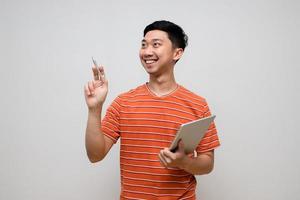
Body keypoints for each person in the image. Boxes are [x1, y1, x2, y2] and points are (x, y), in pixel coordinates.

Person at [84, 20, 220, 200]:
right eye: (143, 45)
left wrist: (183, 162)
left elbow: (207, 163)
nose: (147, 51)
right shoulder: (123, 102)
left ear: (177, 53)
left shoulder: (197, 104)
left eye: (156, 44)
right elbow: (95, 155)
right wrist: (95, 109)